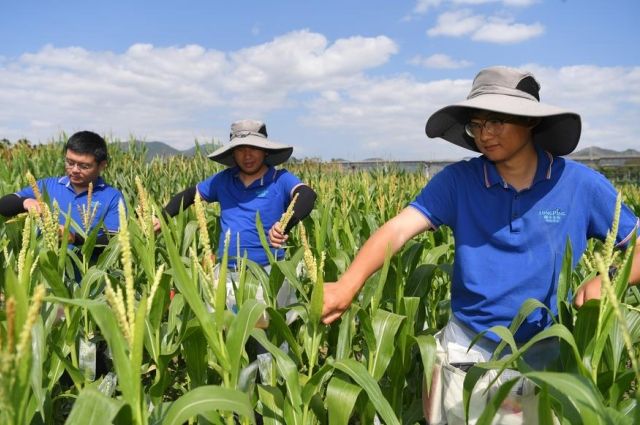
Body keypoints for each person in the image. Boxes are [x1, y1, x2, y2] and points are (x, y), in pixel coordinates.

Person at [320, 66, 640, 423]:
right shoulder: (459, 181)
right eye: (477, 125)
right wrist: (348, 284)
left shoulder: (580, 185)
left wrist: (608, 279)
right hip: (467, 353)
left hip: (548, 360)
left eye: (497, 122)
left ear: (530, 121)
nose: (485, 135)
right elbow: (397, 230)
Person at [158, 119, 317, 313]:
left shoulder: (279, 179)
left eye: (254, 148)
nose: (247, 155)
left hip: (268, 276)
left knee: (264, 339)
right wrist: (162, 217)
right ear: (233, 153)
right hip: (227, 276)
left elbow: (306, 195)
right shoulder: (223, 180)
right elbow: (191, 195)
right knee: (225, 338)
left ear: (265, 150)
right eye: (241, 149)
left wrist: (284, 224)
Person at [0, 130, 125, 247]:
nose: (75, 170)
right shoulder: (47, 185)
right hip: (45, 266)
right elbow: (4, 205)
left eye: (84, 166)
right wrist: (25, 202)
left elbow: (113, 242)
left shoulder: (113, 197)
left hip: (86, 269)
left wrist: (74, 238)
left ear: (102, 165)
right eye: (70, 163)